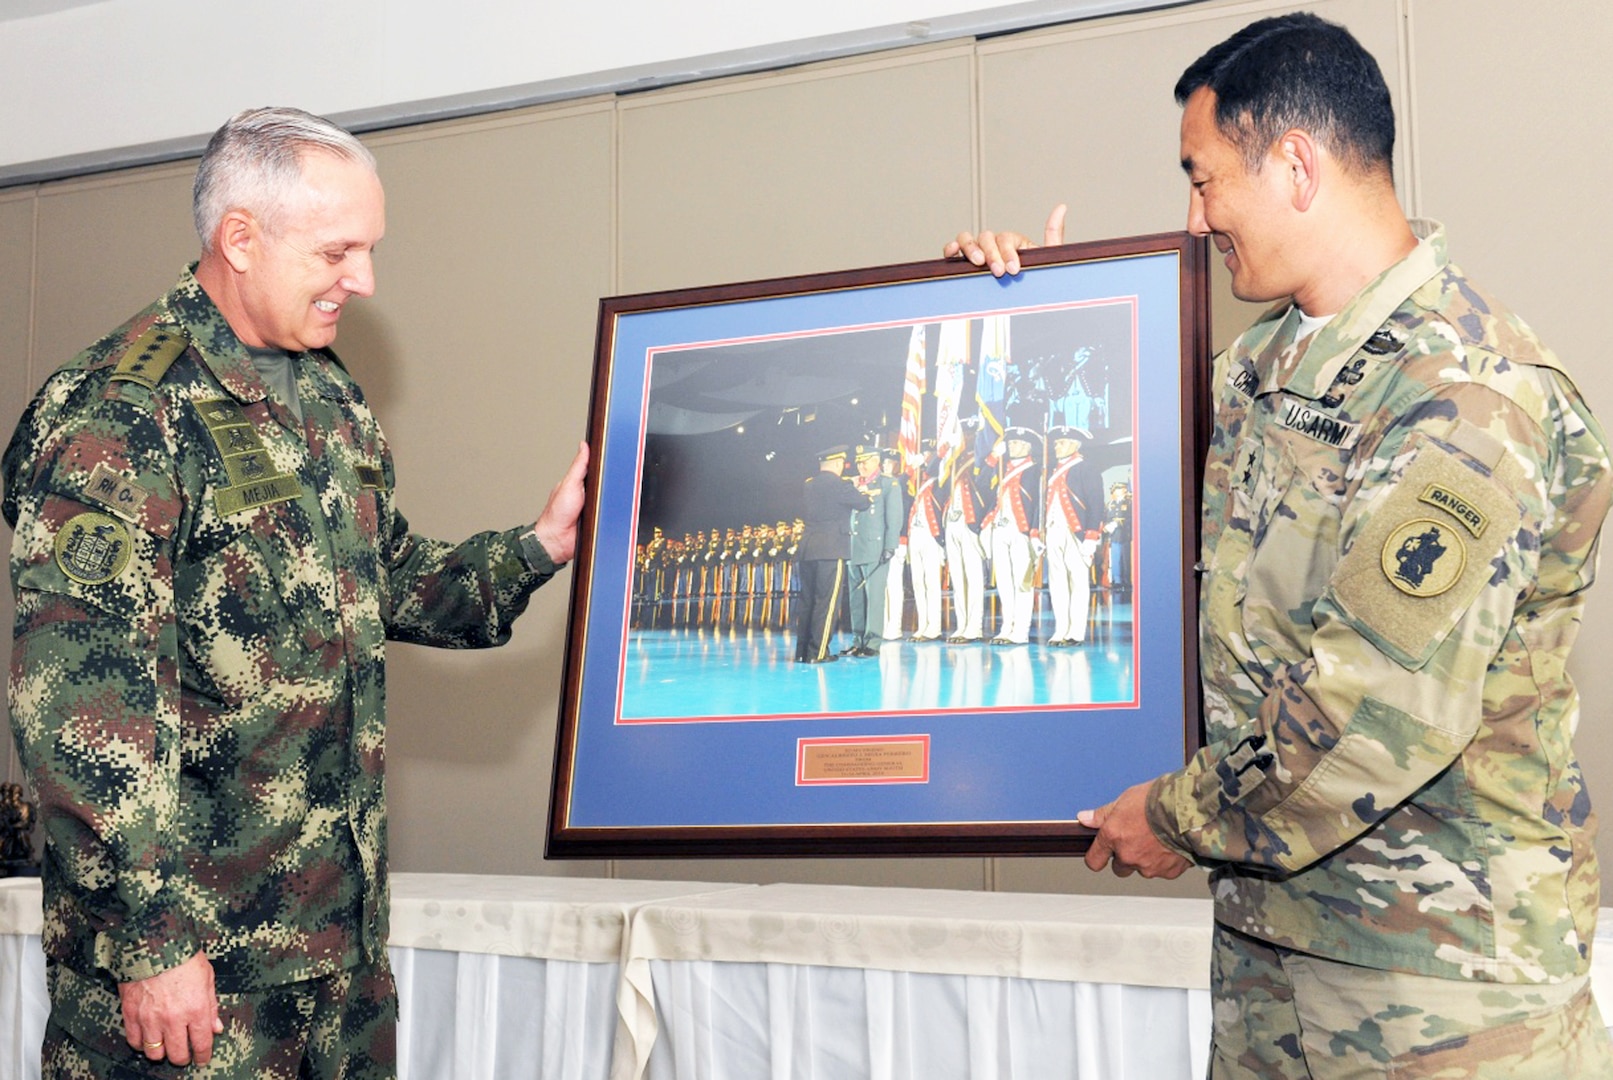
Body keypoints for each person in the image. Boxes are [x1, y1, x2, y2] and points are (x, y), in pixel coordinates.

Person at [947, 12, 1613, 1078]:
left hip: (1437, 999)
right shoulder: (1256, 374)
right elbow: (1123, 529)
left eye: (1204, 180)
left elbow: (1369, 711)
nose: (1193, 213)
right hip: (1270, 955)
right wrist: (1032, 315)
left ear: (1293, 165)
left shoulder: (1466, 397)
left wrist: (1174, 815)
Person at [3, 106, 588, 1078]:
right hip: (193, 976)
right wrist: (151, 946)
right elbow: (78, 710)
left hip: (331, 957)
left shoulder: (322, 394)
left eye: (367, 248)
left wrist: (536, 548)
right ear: (240, 237)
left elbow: (379, 578)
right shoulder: (123, 413)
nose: (362, 279)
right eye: (337, 251)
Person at [793, 446, 869, 664]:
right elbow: (863, 503)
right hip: (831, 548)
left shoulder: (809, 485)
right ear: (838, 464)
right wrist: (855, 486)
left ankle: (802, 651)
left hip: (808, 547)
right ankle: (817, 652)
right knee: (826, 603)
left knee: (807, 601)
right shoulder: (841, 485)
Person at [1042, 426, 1105, 647]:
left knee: (1078, 583)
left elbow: (1096, 504)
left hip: (1077, 532)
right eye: (1057, 442)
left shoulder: (1085, 468)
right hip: (1054, 530)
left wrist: (1091, 537)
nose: (1057, 446)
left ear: (1075, 445)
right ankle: (1061, 628)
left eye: (1062, 442)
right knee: (1057, 583)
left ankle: (1075, 632)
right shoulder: (1051, 470)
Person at [982, 427, 1041, 645]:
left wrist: (1035, 532)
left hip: (1021, 529)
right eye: (1011, 443)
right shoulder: (1002, 469)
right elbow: (982, 485)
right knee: (1004, 582)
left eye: (1015, 443)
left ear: (1026, 447)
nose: (1011, 446)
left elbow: (1038, 505)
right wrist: (993, 457)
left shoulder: (1035, 471)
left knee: (1022, 583)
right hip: (1000, 528)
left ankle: (1021, 629)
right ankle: (1007, 626)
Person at [845, 445, 902, 656]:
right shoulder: (853, 484)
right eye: (859, 461)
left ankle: (872, 642)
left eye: (866, 461)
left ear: (876, 461)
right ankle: (858, 639)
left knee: (874, 597)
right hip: (854, 547)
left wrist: (890, 545)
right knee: (856, 598)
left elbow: (894, 517)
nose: (861, 465)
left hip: (875, 548)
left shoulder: (888, 484)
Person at [942, 446, 989, 643]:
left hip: (970, 525)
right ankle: (962, 624)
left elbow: (984, 482)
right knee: (958, 580)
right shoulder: (952, 462)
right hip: (951, 524)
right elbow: (935, 477)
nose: (968, 439)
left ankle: (974, 626)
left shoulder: (980, 461)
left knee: (974, 579)